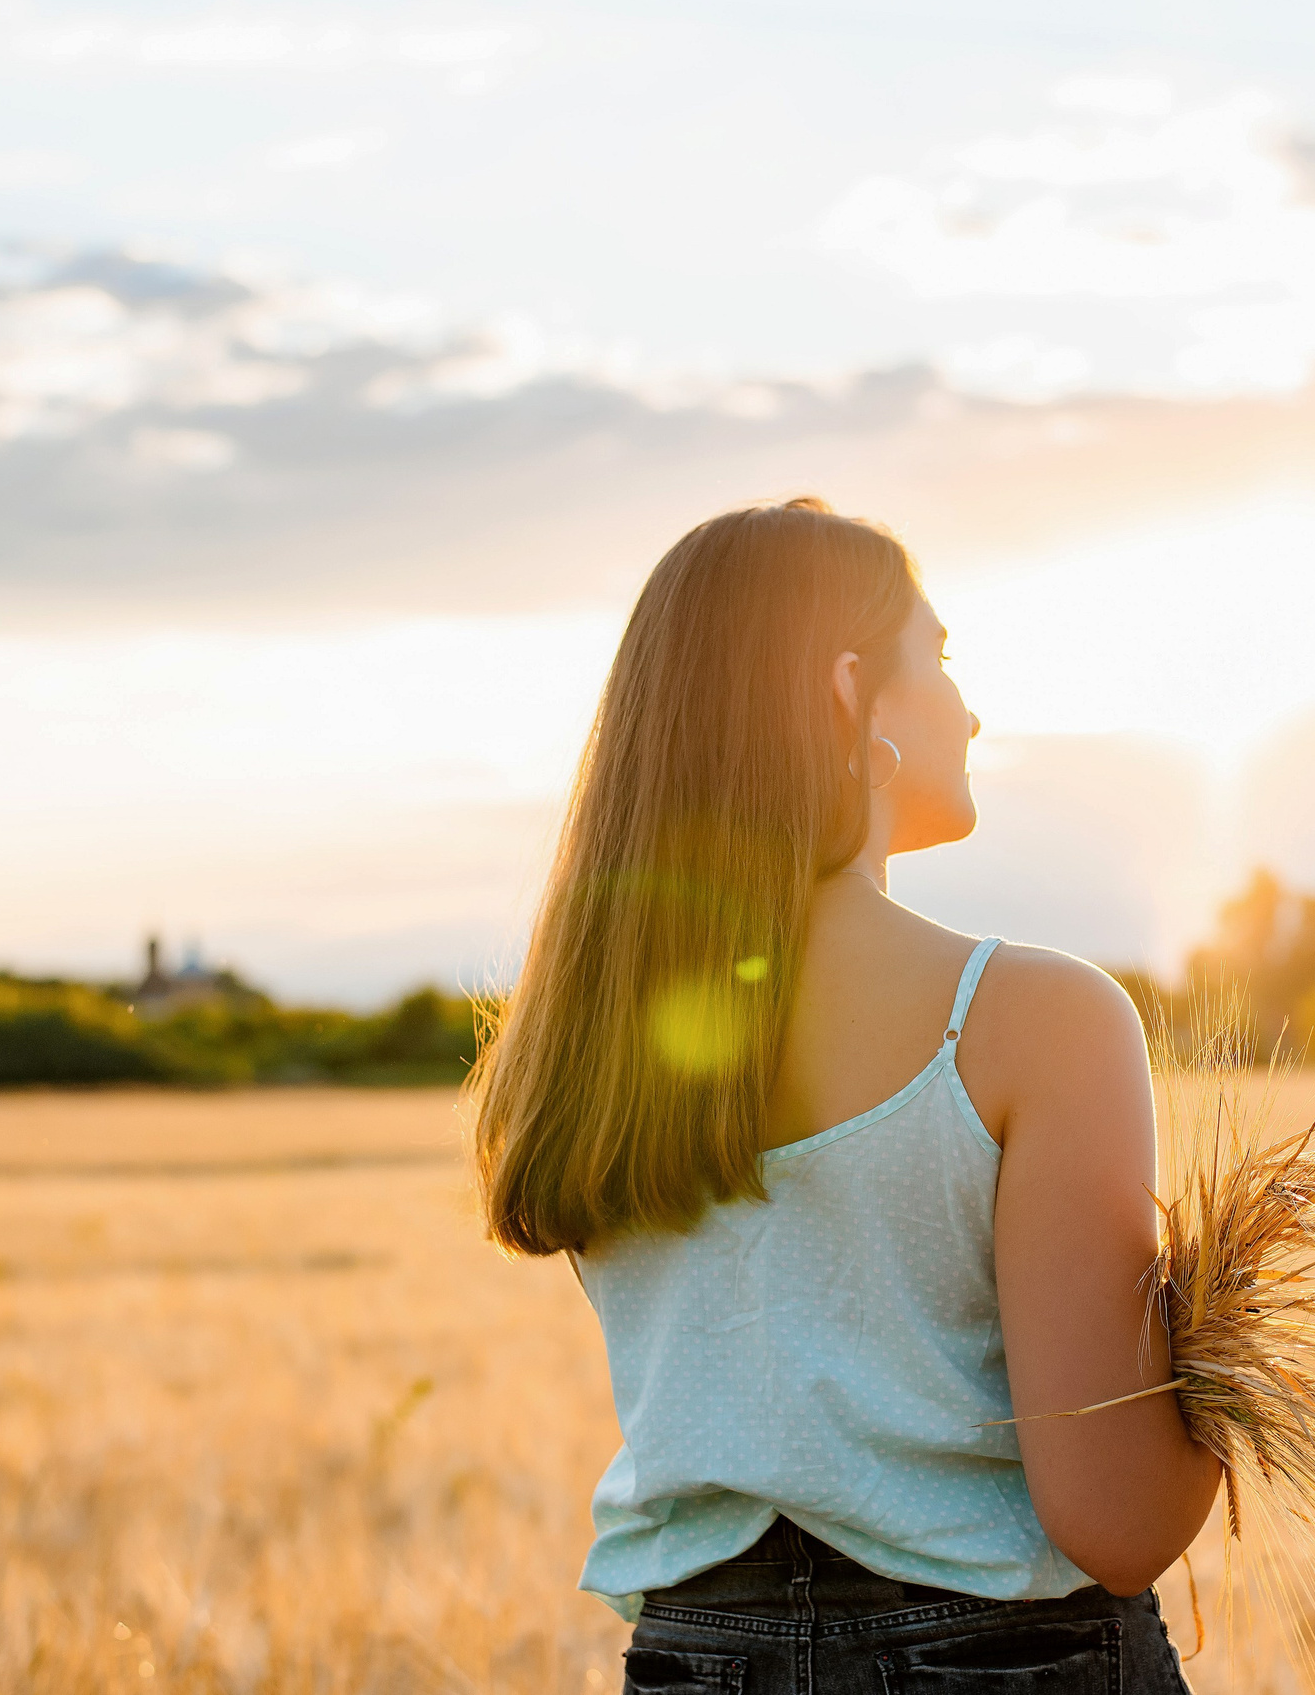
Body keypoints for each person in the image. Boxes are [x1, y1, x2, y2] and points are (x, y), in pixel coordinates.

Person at [468, 498, 1220, 1693]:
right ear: (847, 688)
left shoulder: (581, 1044)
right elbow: (1119, 1520)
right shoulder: (1038, 1015)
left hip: (692, 1658)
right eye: (944, 660)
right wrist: (1225, 1345)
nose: (971, 711)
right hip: (1004, 1657)